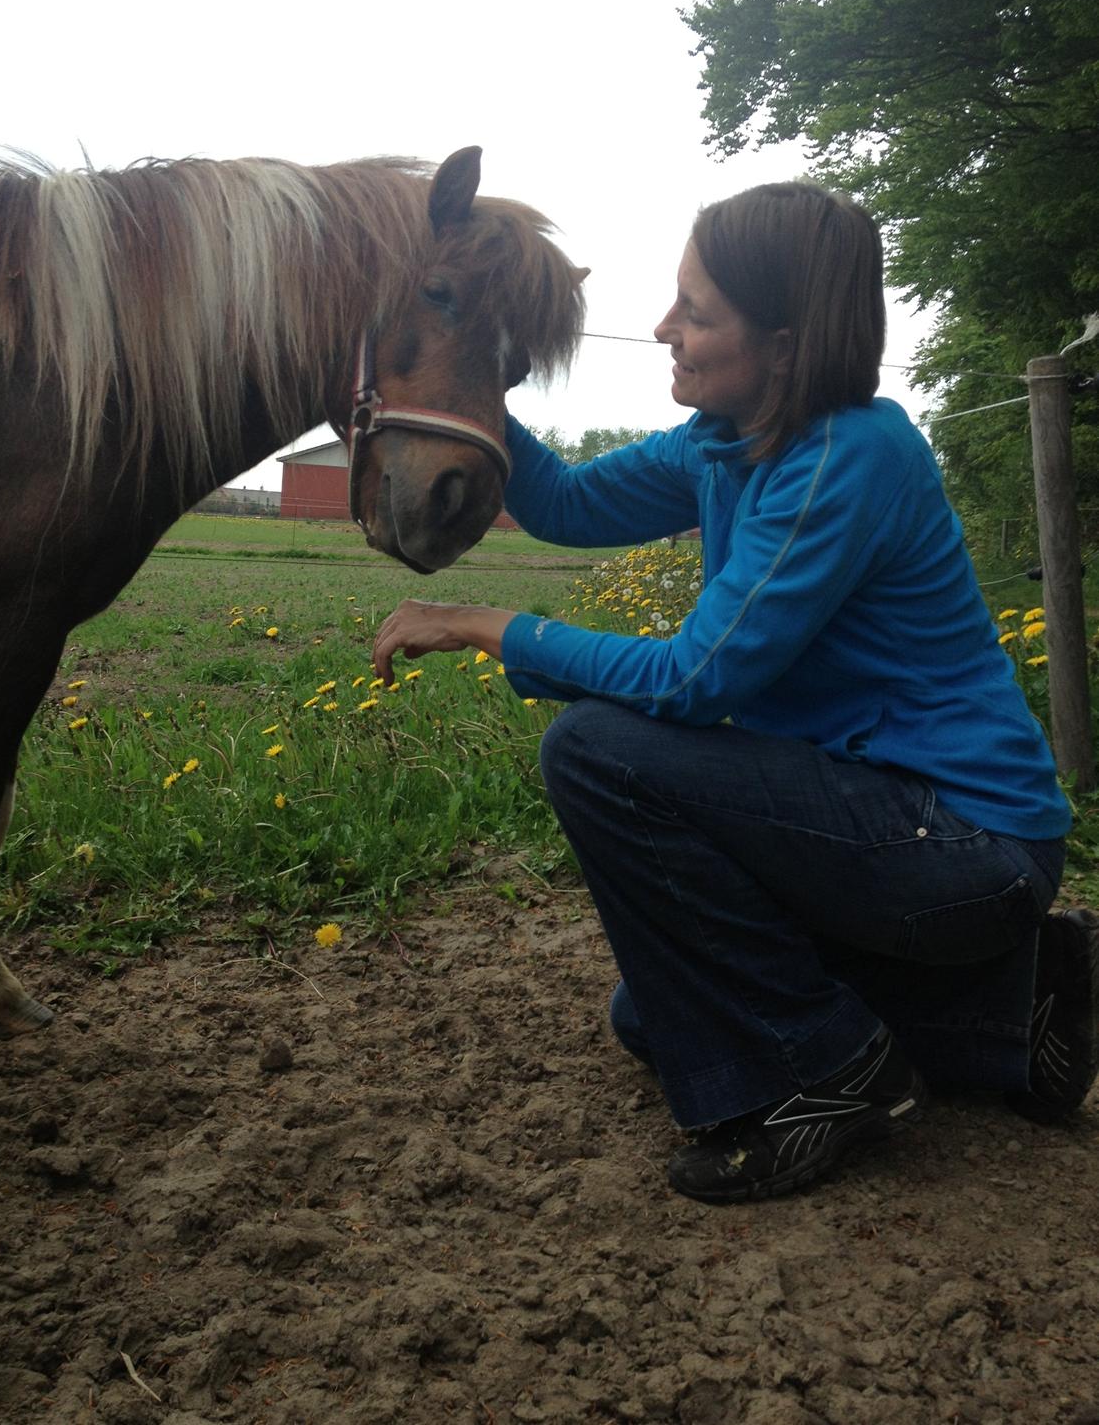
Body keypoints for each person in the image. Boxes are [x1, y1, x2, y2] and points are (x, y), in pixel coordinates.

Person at [372, 180, 1099, 1204]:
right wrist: (468, 380)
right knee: (653, 1017)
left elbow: (700, 677)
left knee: (593, 752)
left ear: (788, 346)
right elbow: (570, 503)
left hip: (966, 844)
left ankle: (830, 1072)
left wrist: (486, 627)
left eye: (697, 314)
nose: (664, 328)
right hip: (870, 821)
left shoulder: (845, 456)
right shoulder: (725, 440)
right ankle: (1014, 1007)